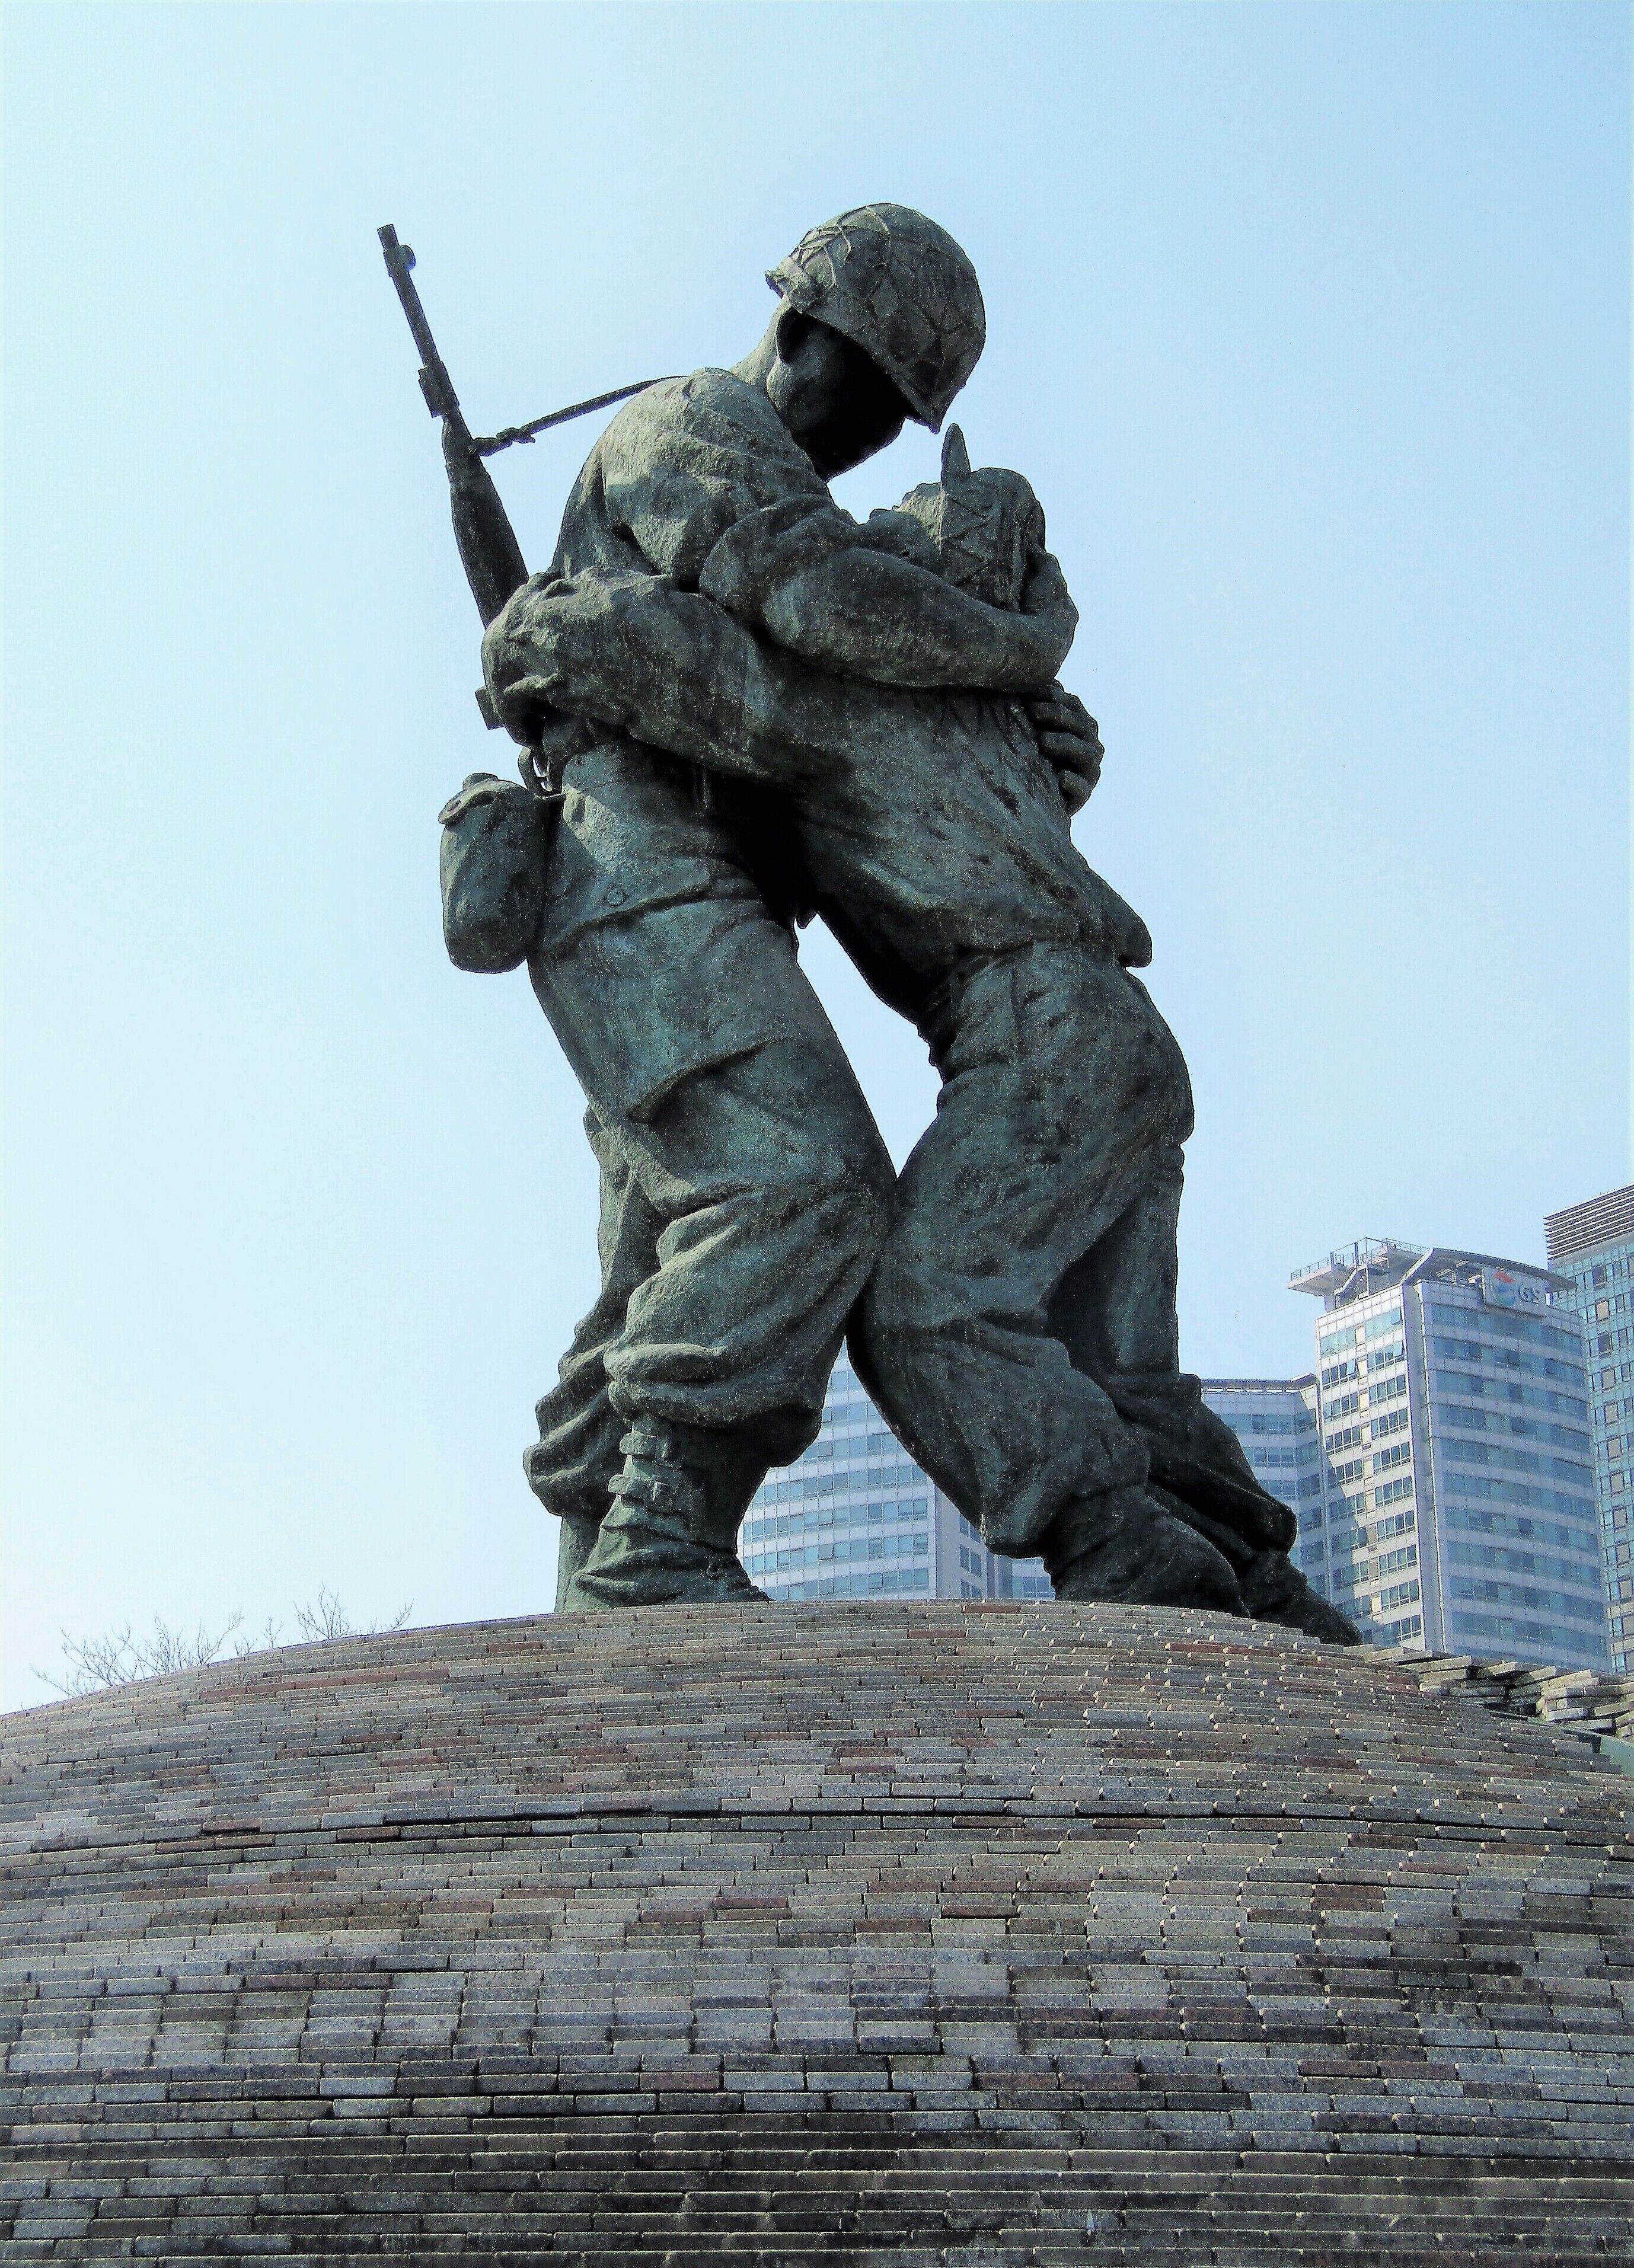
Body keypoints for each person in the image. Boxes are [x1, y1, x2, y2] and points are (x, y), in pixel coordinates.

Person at [485, 437, 1358, 1643]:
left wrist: (537, 627)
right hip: (1115, 1047)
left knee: (927, 1313)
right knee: (1115, 1371)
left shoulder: (853, 694)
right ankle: (1260, 1589)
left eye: (901, 522)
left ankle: (1123, 1549)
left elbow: (686, 671)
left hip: (1041, 1039)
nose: (867, 531)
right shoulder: (1000, 712)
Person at [496, 205, 1080, 1613]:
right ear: (801, 329)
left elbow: (857, 727)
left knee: (664, 1256)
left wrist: (1026, 746)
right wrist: (1019, 648)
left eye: (900, 417)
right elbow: (817, 604)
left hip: (714, 890)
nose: (874, 436)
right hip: (636, 868)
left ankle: (596, 1595)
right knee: (801, 1186)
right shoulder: (691, 423)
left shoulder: (795, 479)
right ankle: (656, 1551)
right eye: (866, 392)